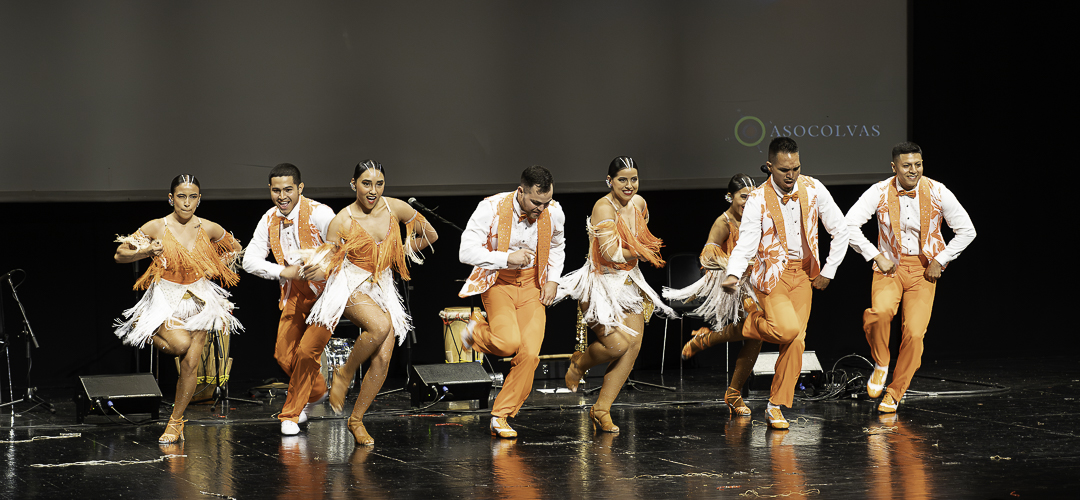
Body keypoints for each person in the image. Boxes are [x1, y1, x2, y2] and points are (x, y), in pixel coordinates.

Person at [721, 137, 850, 430]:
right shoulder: (757, 198)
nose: (791, 175)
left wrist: (828, 270)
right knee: (787, 329)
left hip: (804, 274)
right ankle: (748, 325)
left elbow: (840, 229)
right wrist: (733, 272)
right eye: (783, 170)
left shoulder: (813, 188)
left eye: (795, 167)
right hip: (772, 275)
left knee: (797, 341)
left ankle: (775, 405)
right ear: (769, 167)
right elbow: (747, 243)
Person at [306, 159, 438, 445]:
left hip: (382, 285)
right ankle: (343, 373)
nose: (373, 190)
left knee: (383, 357)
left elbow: (430, 235)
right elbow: (328, 260)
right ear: (353, 184)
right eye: (366, 183)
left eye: (379, 184)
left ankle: (356, 420)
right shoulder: (342, 220)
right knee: (379, 325)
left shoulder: (396, 208)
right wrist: (316, 267)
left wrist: (402, 253)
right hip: (350, 283)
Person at [845, 141, 975, 413]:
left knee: (915, 334)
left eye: (918, 164)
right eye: (906, 166)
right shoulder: (879, 191)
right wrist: (875, 255)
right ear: (894, 167)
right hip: (889, 266)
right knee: (879, 314)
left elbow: (967, 230)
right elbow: (849, 225)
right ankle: (881, 363)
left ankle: (895, 392)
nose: (913, 170)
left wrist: (941, 259)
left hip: (923, 270)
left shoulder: (938, 191)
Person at [113, 174, 243, 444]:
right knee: (179, 345)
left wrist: (216, 266)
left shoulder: (207, 228)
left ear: (199, 199)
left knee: (190, 364)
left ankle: (175, 423)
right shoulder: (157, 226)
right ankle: (145, 327)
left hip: (199, 297)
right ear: (171, 198)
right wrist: (147, 250)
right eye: (181, 197)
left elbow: (235, 249)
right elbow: (120, 254)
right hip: (166, 295)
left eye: (192, 196)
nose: (187, 203)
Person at [558, 156, 677, 433]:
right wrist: (640, 251)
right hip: (600, 284)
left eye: (634, 179)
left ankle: (601, 410)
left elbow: (641, 229)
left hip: (627, 282)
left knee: (633, 346)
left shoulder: (639, 203)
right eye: (622, 179)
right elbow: (611, 253)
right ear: (609, 181)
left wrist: (640, 248)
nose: (629, 185)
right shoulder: (603, 207)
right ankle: (579, 363)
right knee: (616, 346)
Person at [458, 165, 566, 439]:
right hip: (499, 284)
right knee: (507, 344)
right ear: (521, 192)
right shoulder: (491, 208)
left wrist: (553, 279)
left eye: (546, 202)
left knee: (529, 355)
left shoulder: (553, 212)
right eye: (535, 202)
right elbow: (466, 251)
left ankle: (500, 416)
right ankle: (475, 330)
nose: (541, 209)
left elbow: (557, 245)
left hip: (532, 286)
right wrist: (506, 259)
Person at [242, 163, 337, 435]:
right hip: (295, 291)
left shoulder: (320, 213)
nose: (282, 196)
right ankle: (317, 391)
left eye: (288, 190)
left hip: (327, 294)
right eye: (276, 190)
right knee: (283, 355)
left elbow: (343, 250)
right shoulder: (269, 218)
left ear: (300, 188)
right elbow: (249, 260)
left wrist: (323, 268)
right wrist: (283, 271)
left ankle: (291, 415)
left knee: (307, 353)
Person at [663, 173, 763, 417]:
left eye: (752, 197)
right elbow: (707, 255)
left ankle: (731, 390)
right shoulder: (724, 221)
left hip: (756, 282)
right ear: (730, 196)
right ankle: (733, 391)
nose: (748, 202)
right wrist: (733, 265)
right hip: (733, 283)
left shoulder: (758, 217)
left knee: (755, 336)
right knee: (756, 329)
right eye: (743, 197)